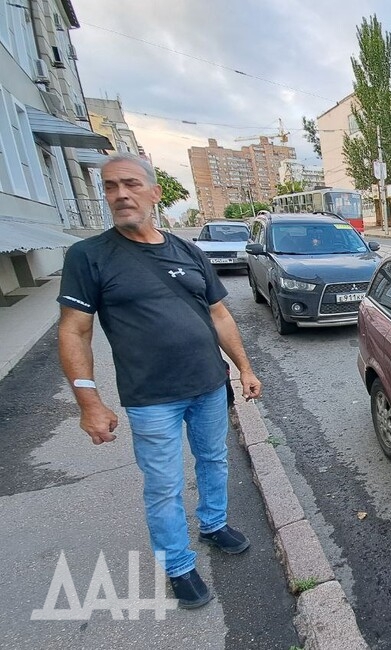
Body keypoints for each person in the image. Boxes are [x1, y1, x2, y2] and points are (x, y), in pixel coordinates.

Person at [57, 153, 262, 610]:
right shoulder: (89, 256)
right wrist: (89, 402)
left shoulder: (188, 251)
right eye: (110, 187)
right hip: (151, 398)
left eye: (130, 184)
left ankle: (213, 524)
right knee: (164, 485)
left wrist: (244, 368)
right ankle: (178, 565)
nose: (120, 195)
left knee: (214, 460)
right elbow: (74, 330)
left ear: (155, 193)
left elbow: (219, 314)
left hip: (209, 385)